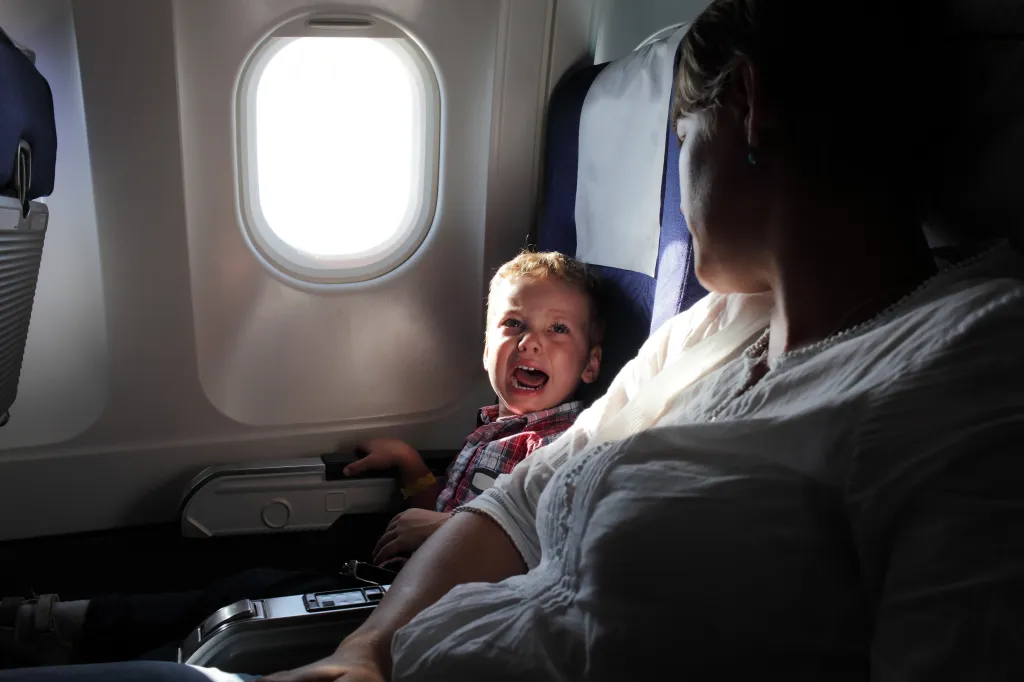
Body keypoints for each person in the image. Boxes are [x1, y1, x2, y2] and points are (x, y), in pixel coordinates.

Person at [3, 0, 1024, 680]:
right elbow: (518, 501)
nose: (678, 181)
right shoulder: (708, 333)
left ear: (748, 108)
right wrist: (366, 650)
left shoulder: (969, 367)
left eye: (681, 142)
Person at [0, 251, 604, 669]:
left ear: (591, 365)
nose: (530, 342)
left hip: (413, 606)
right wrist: (414, 472)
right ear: (486, 343)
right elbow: (442, 507)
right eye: (513, 324)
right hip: (386, 578)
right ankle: (61, 627)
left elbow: (542, 547)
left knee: (241, 606)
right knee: (234, 588)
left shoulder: (563, 445)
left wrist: (450, 531)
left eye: (558, 331)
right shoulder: (494, 430)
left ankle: (77, 642)